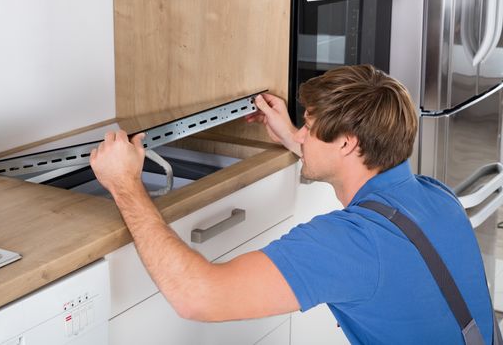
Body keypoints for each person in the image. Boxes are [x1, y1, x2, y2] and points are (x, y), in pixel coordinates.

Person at [90, 64, 493, 344]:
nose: (301, 135)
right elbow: (352, 173)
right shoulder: (436, 196)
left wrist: (126, 184)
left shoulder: (350, 244)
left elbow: (198, 297)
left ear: (348, 144)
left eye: (311, 129)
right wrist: (295, 138)